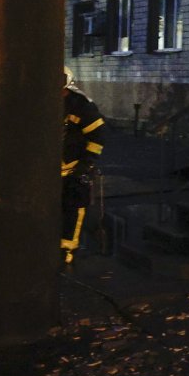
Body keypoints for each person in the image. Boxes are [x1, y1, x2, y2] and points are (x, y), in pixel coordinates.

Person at [61, 67, 106, 265]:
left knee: (72, 209)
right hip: (46, 172)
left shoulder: (80, 106)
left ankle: (67, 250)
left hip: (72, 169)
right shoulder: (44, 102)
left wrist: (85, 165)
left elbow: (98, 137)